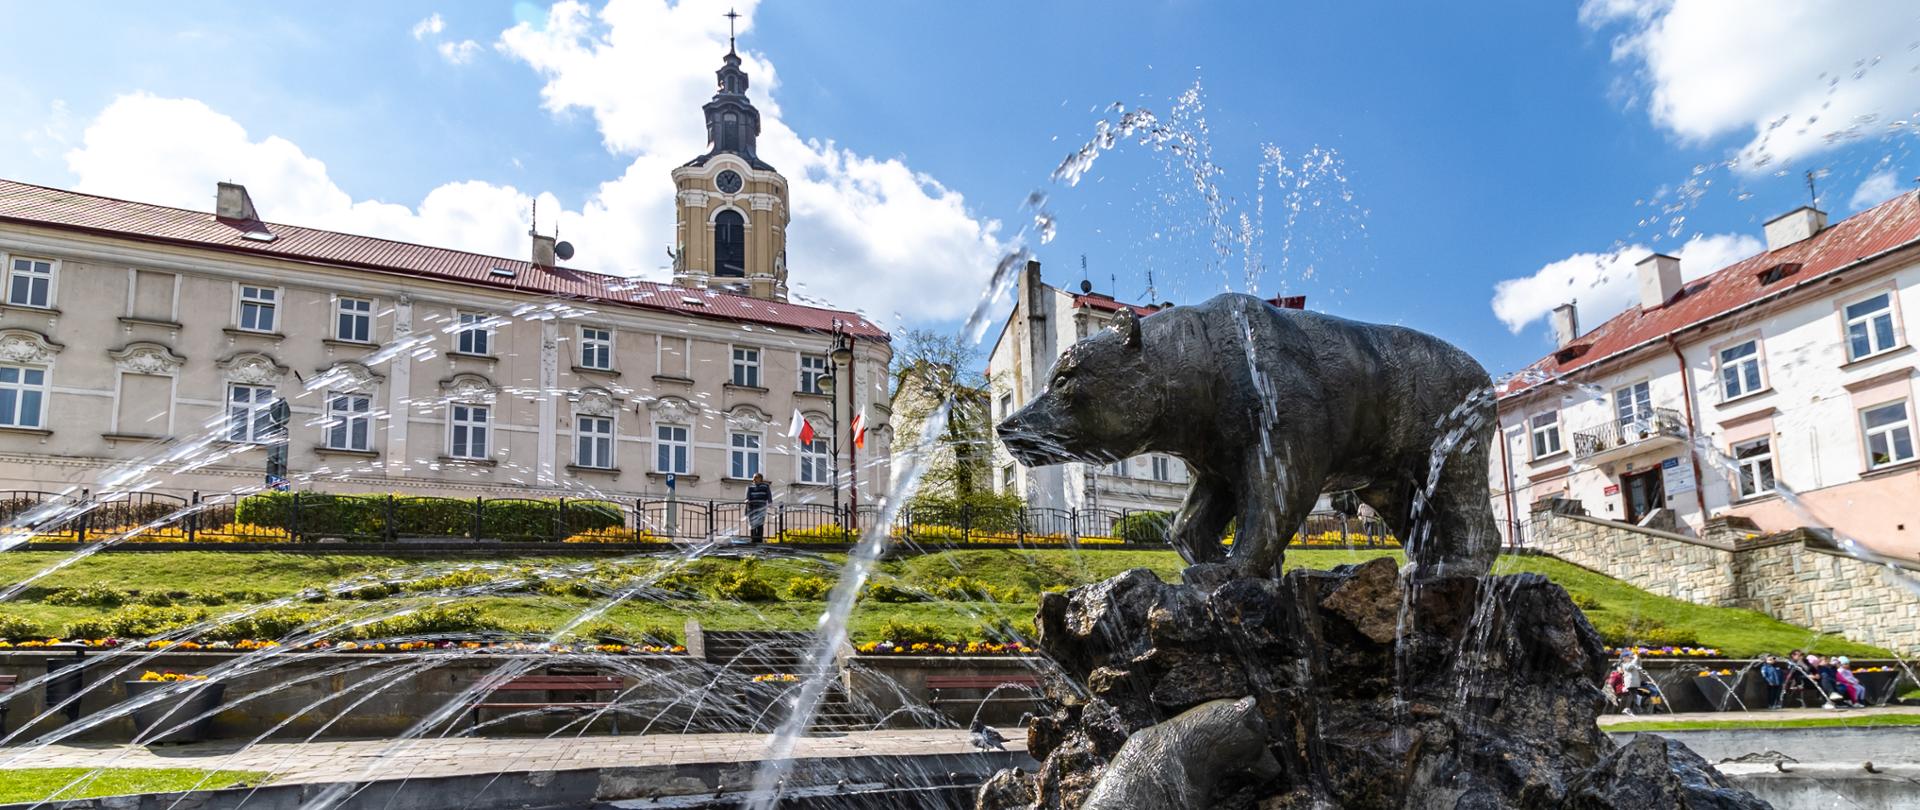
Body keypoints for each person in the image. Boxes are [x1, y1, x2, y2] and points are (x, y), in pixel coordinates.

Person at [745, 473, 772, 543]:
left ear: (760, 478)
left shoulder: (765, 486)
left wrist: (770, 502)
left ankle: (759, 540)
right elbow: (747, 496)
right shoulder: (750, 486)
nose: (754, 479)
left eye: (756, 477)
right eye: (753, 478)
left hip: (761, 507)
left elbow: (769, 495)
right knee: (752, 524)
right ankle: (753, 539)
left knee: (760, 524)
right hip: (752, 507)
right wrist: (747, 500)